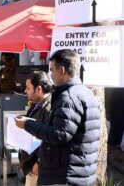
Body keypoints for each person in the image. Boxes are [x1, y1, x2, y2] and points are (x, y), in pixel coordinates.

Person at [15, 49, 100, 186]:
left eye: (52, 70)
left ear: (61, 70)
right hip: (77, 173)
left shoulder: (69, 97)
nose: (51, 75)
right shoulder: (85, 93)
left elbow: (59, 134)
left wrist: (27, 124)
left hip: (66, 176)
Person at [18, 71, 52, 186]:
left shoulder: (48, 109)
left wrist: (38, 164)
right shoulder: (37, 104)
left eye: (28, 88)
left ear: (38, 89)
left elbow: (50, 139)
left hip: (36, 168)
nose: (25, 91)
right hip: (30, 164)